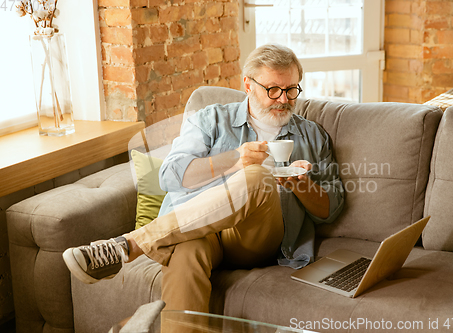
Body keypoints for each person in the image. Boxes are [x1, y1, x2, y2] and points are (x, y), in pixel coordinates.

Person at [62, 43, 344, 312]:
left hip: (255, 240)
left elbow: (330, 210)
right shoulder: (210, 120)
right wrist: (234, 160)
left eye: (291, 89)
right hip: (198, 232)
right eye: (272, 90)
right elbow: (171, 176)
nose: (283, 99)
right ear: (248, 85)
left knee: (257, 176)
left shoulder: (311, 135)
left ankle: (129, 245)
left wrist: (300, 183)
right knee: (184, 249)